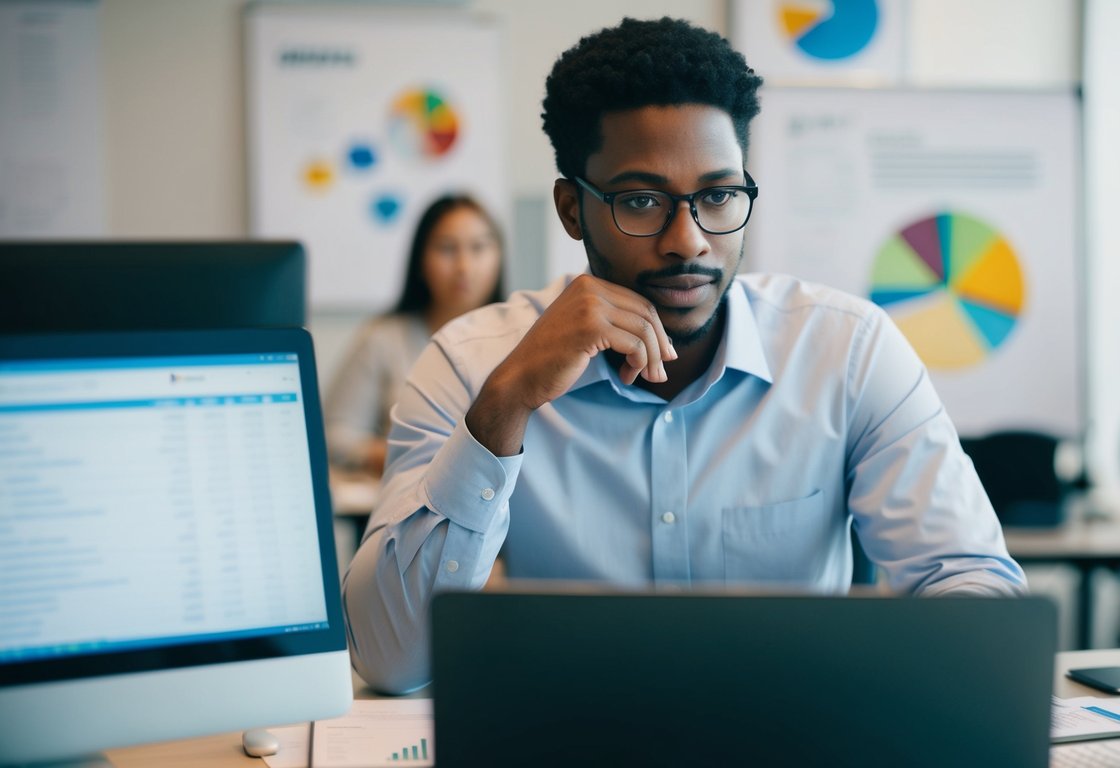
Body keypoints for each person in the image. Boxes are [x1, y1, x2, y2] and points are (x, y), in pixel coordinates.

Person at [343, 17, 1026, 694]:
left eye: (717, 196)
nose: (688, 240)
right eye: (641, 200)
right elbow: (390, 657)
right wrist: (504, 405)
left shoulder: (846, 351)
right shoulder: (471, 364)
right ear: (571, 209)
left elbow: (971, 584)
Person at [324, 194, 504, 475]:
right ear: (420, 259)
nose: (464, 267)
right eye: (447, 248)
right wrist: (403, 456)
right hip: (403, 502)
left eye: (479, 247)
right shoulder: (383, 338)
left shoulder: (522, 339)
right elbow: (335, 436)